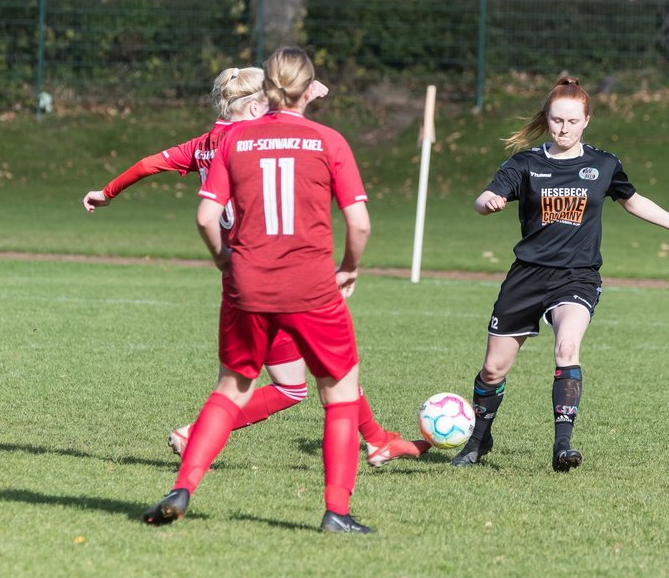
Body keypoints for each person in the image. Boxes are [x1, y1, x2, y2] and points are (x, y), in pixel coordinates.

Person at [81, 67, 424, 471]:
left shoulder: (206, 143)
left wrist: (106, 193)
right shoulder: (246, 141)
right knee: (321, 370)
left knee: (299, 382)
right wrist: (306, 97)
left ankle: (377, 439)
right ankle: (200, 438)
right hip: (276, 269)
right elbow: (292, 130)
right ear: (258, 104)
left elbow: (147, 163)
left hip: (240, 275)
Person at [143, 46, 385, 533]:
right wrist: (350, 269)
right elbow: (359, 224)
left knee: (231, 389)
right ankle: (336, 512)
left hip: (247, 284)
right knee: (339, 394)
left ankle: (182, 487)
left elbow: (206, 217)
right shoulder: (329, 141)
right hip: (312, 286)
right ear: (306, 88)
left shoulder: (234, 140)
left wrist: (223, 261)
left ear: (265, 89)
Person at [449, 76, 669, 472]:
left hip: (577, 276)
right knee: (493, 369)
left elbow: (633, 200)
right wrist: (487, 202)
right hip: (527, 276)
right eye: (556, 120)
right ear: (547, 119)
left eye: (572, 121)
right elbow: (484, 197)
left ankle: (562, 447)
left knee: (567, 349)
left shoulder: (603, 164)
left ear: (587, 120)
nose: (563, 129)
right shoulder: (525, 163)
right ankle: (479, 439)